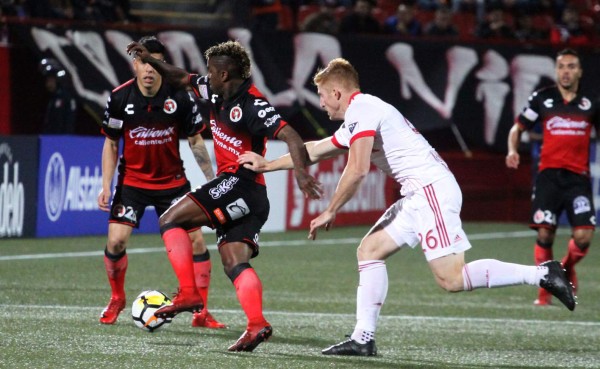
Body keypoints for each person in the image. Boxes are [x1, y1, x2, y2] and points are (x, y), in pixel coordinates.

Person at [237, 57, 576, 356]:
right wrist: (266, 165)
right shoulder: (359, 115)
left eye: (323, 96)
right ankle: (363, 338)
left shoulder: (362, 109)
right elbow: (314, 150)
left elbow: (356, 169)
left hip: (430, 191)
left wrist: (331, 210)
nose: (322, 104)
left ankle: (543, 273)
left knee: (451, 279)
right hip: (418, 195)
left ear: (337, 93)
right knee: (369, 251)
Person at [126, 39, 321, 352]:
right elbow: (179, 77)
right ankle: (257, 324)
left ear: (225, 75)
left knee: (170, 220)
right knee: (234, 263)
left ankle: (189, 293)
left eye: (211, 72)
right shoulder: (214, 89)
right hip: (253, 198)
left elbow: (290, 135)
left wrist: (300, 173)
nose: (206, 77)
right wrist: (150, 57)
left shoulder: (252, 104)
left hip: (240, 184)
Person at [98, 36, 226, 330]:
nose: (148, 69)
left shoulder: (180, 97)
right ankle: (117, 297)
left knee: (196, 242)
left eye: (154, 63)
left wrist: (211, 181)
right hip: (132, 184)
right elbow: (110, 143)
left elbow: (195, 140)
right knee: (115, 241)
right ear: (135, 65)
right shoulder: (120, 98)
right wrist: (106, 185)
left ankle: (201, 311)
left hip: (172, 185)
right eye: (143, 62)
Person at [506, 48, 598, 306]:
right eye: (561, 67)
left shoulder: (591, 102)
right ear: (556, 70)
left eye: (571, 66)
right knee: (545, 234)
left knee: (583, 237)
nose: (565, 71)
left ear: (579, 71)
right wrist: (513, 149)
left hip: (578, 178)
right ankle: (544, 292)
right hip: (548, 177)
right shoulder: (542, 98)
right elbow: (518, 127)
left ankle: (566, 268)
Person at [39, 58, 77, 134]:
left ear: (57, 81)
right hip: (50, 138)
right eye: (47, 81)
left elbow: (68, 122)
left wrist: (64, 139)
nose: (48, 84)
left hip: (61, 139)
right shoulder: (52, 99)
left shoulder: (66, 97)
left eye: (50, 81)